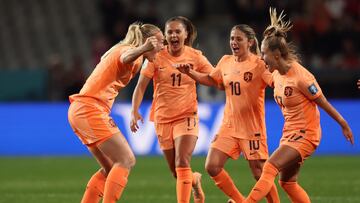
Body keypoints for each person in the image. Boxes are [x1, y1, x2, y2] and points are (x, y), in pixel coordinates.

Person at [244, 8, 354, 203]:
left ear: (277, 54)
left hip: (306, 134)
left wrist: (343, 124)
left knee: (269, 166)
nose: (262, 58)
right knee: (287, 182)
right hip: (290, 133)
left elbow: (323, 103)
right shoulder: (276, 74)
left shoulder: (302, 78)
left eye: (264, 54)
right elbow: (259, 74)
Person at [176, 24, 280, 203]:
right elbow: (211, 79)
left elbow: (276, 83)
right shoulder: (225, 61)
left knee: (259, 173)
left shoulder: (259, 65)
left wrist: (285, 96)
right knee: (212, 166)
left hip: (252, 128)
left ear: (250, 42)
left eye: (239, 39)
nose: (234, 42)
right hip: (229, 125)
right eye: (232, 38)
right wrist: (190, 72)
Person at [68, 22, 164, 203]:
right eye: (159, 42)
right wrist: (143, 48)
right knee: (126, 159)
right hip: (90, 109)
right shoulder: (129, 51)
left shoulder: (127, 52)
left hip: (82, 109)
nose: (162, 47)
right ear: (147, 41)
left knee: (111, 167)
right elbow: (125, 57)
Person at [130, 16, 213, 203]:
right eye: (170, 32)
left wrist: (192, 73)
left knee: (182, 161)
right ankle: (194, 180)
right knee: (177, 172)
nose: (173, 35)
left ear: (185, 34)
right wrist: (134, 111)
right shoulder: (155, 56)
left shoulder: (195, 56)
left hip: (187, 115)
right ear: (165, 36)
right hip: (163, 118)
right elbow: (141, 86)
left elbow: (213, 78)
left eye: (177, 31)